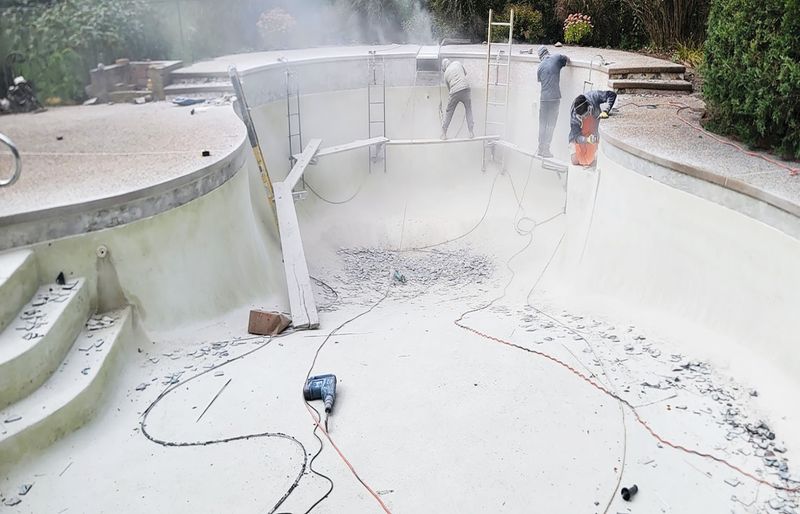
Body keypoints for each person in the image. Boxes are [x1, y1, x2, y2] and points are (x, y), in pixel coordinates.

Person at [568, 90, 617, 167]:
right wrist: (587, 140)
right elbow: (576, 137)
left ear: (589, 107)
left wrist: (606, 111)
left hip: (594, 130)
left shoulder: (594, 96)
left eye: (586, 115)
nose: (585, 118)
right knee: (575, 160)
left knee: (595, 160)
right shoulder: (574, 116)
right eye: (582, 117)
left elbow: (612, 95)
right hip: (581, 135)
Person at [536, 46, 569, 158]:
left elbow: (540, 80)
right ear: (547, 52)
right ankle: (546, 149)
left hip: (544, 99)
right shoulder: (556, 57)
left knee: (542, 124)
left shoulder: (539, 67)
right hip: (554, 98)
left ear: (540, 56)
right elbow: (566, 60)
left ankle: (540, 148)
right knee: (551, 124)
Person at [440, 58, 475, 140]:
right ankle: (471, 132)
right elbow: (465, 74)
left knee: (449, 112)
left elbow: (450, 90)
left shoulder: (445, 75)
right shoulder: (457, 63)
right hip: (466, 88)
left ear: (444, 67)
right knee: (468, 109)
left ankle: (444, 133)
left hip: (454, 91)